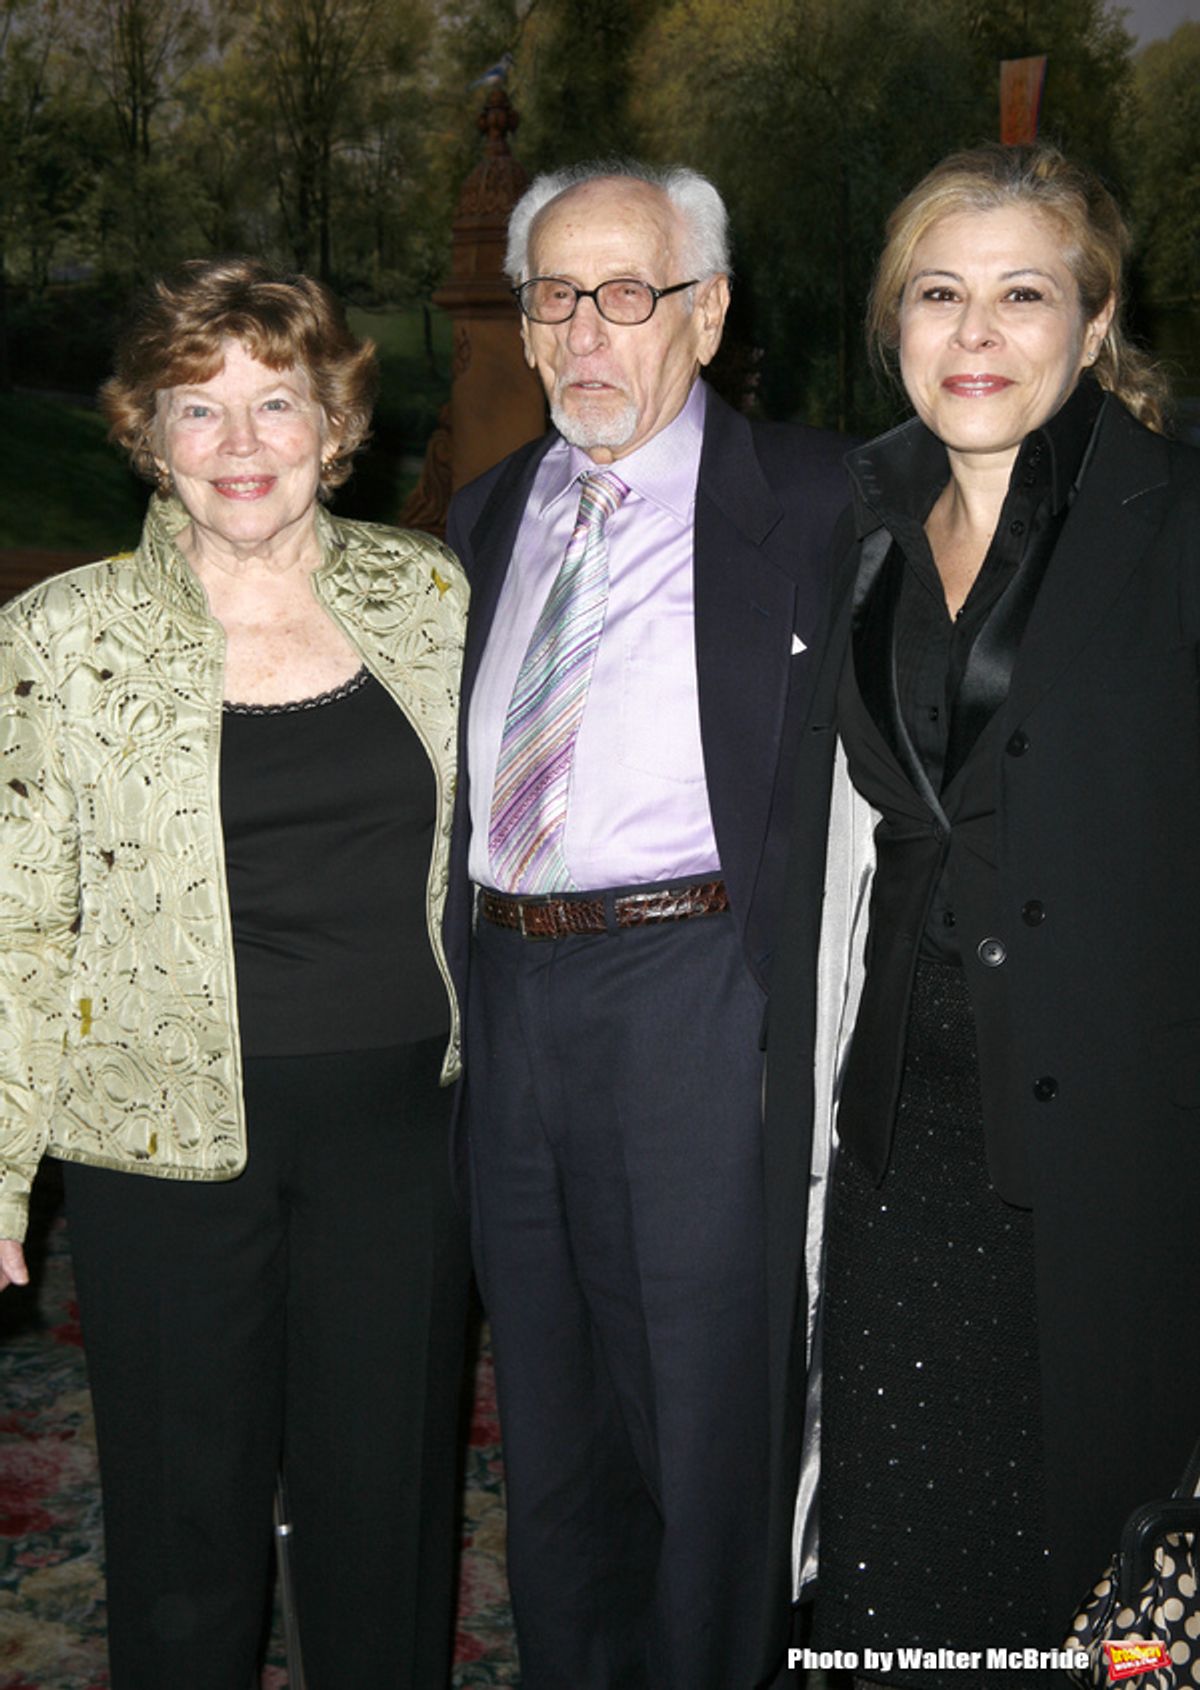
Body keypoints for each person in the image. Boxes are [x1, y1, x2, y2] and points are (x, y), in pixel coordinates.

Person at [0, 257, 472, 1690]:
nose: (242, 441)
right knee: (182, 1528)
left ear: (337, 423)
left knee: (387, 1517)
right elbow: (20, 922)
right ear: (147, 434)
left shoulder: (434, 595)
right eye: (197, 408)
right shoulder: (60, 637)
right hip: (158, 1141)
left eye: (278, 401)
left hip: (408, 1132)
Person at [765, 143, 1200, 1690]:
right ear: (894, 322)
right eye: (938, 293)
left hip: (1114, 1169)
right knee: (897, 1574)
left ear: (1096, 322)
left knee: (1096, 1601)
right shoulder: (865, 525)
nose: (975, 333)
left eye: (1024, 295)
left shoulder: (1176, 526)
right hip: (898, 1147)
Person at [441, 159, 848, 1690]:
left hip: (696, 995)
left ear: (710, 312)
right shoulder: (490, 513)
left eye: (629, 291)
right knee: (549, 1426)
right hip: (510, 998)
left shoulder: (822, 501)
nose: (587, 331)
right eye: (556, 295)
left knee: (707, 1433)